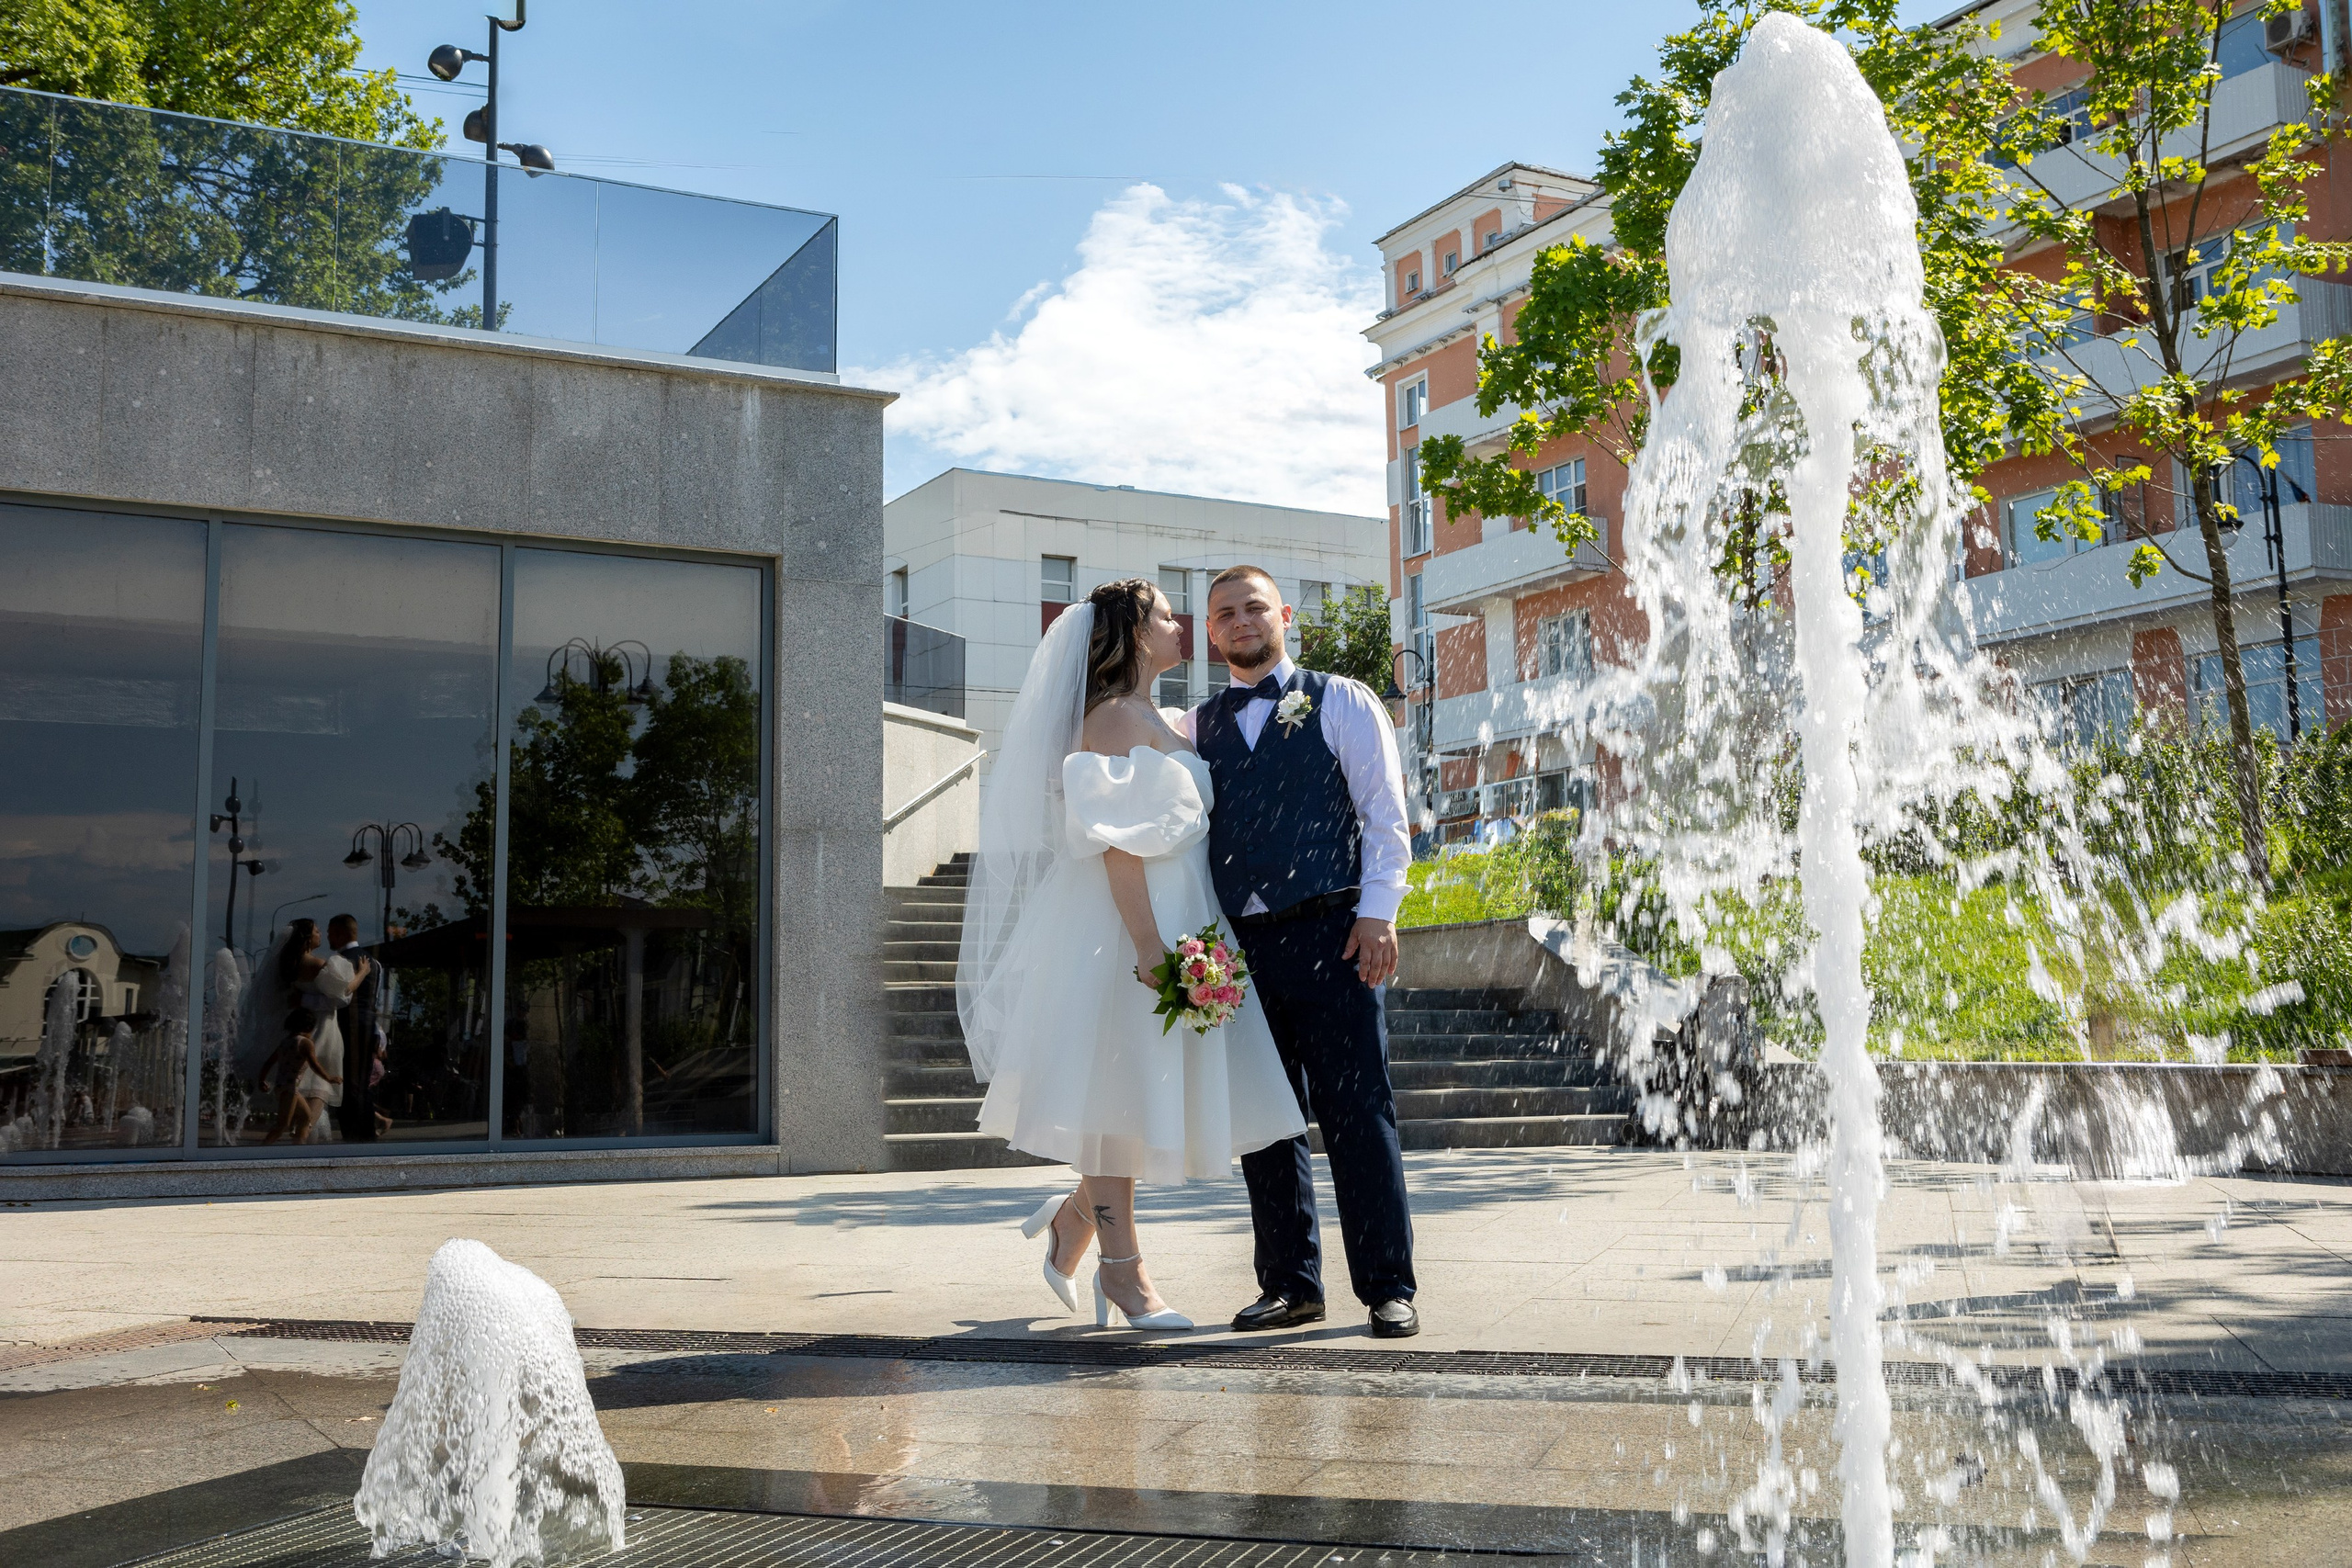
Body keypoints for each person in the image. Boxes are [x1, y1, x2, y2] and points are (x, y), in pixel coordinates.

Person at [959, 578, 1307, 1330]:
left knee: (1134, 1097)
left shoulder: (1153, 714)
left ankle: (1075, 1221)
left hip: (1182, 912)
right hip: (1128, 924)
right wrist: (1151, 945)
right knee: (1116, 1096)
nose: (1181, 624)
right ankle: (1123, 1271)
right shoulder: (1114, 716)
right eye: (1165, 616)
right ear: (1131, 634)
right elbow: (1116, 838)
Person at [1186, 565, 1420, 1338]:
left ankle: (1387, 1285)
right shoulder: (1195, 725)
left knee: (1358, 1113)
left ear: (1284, 614)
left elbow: (1384, 813)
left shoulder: (1342, 698)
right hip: (1241, 951)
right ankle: (1290, 1284)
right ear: (1211, 631)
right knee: (1265, 1121)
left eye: (1254, 606)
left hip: (1334, 933)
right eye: (1225, 613)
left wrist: (1379, 913)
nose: (1241, 620)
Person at [327, 914, 381, 1142]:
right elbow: (375, 999)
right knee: (361, 1084)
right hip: (368, 1029)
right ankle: (366, 1135)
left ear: (340, 933)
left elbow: (338, 997)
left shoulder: (340, 961)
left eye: (330, 932)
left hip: (347, 1029)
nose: (329, 937)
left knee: (348, 1087)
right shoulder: (374, 963)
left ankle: (355, 1135)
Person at [258, 1007, 337, 1144]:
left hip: (282, 1086)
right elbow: (315, 1065)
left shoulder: (285, 1042)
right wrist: (329, 1078)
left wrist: (261, 1080)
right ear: (310, 1027)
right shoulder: (306, 1043)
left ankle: (299, 1147)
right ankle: (260, 1152)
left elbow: (268, 1063)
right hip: (290, 1088)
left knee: (306, 1117)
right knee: (283, 1125)